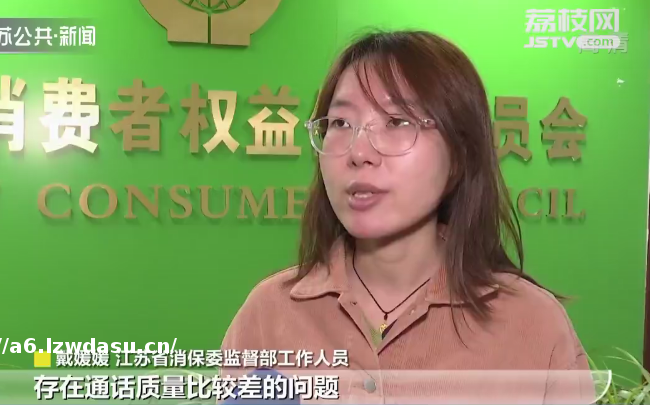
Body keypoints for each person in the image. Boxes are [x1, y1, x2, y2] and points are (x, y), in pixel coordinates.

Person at [220, 30, 594, 404]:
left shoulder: (533, 325)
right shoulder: (268, 314)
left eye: (397, 121)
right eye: (340, 123)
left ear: (459, 155)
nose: (359, 153)